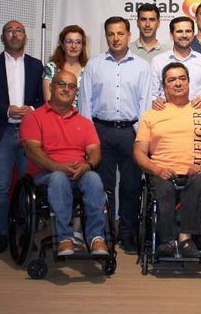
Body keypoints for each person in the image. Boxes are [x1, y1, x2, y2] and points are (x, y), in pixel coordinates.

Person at [133, 62, 201, 257]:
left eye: (182, 78)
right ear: (164, 86)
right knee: (163, 188)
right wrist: (156, 170)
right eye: (172, 80)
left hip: (195, 171)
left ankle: (185, 239)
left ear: (189, 83)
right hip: (161, 171)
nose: (178, 83)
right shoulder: (151, 114)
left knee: (200, 182)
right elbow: (139, 152)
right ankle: (168, 241)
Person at [79, 17, 151, 254]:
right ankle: (105, 233)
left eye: (120, 33)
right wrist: (89, 136)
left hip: (131, 131)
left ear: (129, 35)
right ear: (106, 36)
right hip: (101, 131)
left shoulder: (142, 66)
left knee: (131, 186)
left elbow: (145, 102)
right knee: (103, 186)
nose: (116, 38)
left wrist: (142, 136)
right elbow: (85, 102)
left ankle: (128, 234)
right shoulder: (94, 65)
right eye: (111, 34)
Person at [19, 69, 108, 257]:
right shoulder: (33, 118)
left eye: (71, 86)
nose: (66, 89)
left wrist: (88, 165)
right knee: (59, 178)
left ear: (76, 91)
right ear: (51, 87)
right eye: (61, 84)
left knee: (93, 178)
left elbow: (95, 150)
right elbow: (33, 151)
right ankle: (64, 238)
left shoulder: (84, 122)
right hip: (46, 174)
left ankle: (96, 238)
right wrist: (57, 167)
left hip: (79, 172)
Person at [0, 20, 44, 254]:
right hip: (1, 131)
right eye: (9, 31)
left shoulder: (36, 66)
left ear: (25, 37)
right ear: (2, 37)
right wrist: (6, 109)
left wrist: (31, 110)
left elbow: (43, 100)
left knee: (28, 186)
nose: (14, 34)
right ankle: (3, 234)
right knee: (1, 186)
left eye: (19, 31)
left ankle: (26, 233)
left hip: (28, 134)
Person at [150, 16, 201, 108]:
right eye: (179, 31)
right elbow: (152, 94)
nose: (184, 35)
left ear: (193, 34)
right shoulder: (158, 61)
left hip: (197, 115)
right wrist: (154, 102)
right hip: (166, 116)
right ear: (171, 34)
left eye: (188, 31)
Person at [43, 25, 88, 104]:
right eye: (69, 41)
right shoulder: (51, 68)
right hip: (56, 115)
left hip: (82, 115)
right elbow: (48, 101)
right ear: (62, 45)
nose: (73, 46)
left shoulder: (88, 68)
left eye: (78, 42)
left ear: (82, 46)